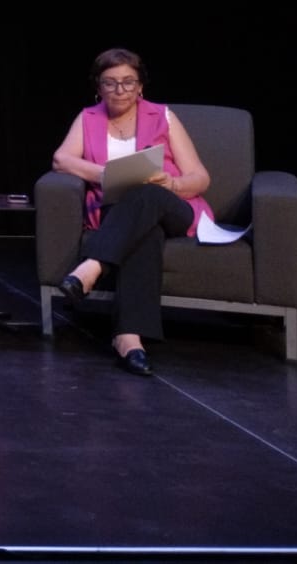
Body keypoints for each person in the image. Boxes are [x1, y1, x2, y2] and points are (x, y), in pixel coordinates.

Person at [50, 47, 213, 376]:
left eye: (128, 82)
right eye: (110, 83)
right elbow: (60, 160)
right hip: (121, 214)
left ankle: (93, 265)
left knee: (147, 192)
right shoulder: (89, 117)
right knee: (145, 234)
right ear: (98, 87)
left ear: (140, 86)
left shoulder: (162, 116)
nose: (120, 90)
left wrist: (172, 183)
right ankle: (129, 339)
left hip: (172, 207)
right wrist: (107, 174)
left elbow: (200, 177)